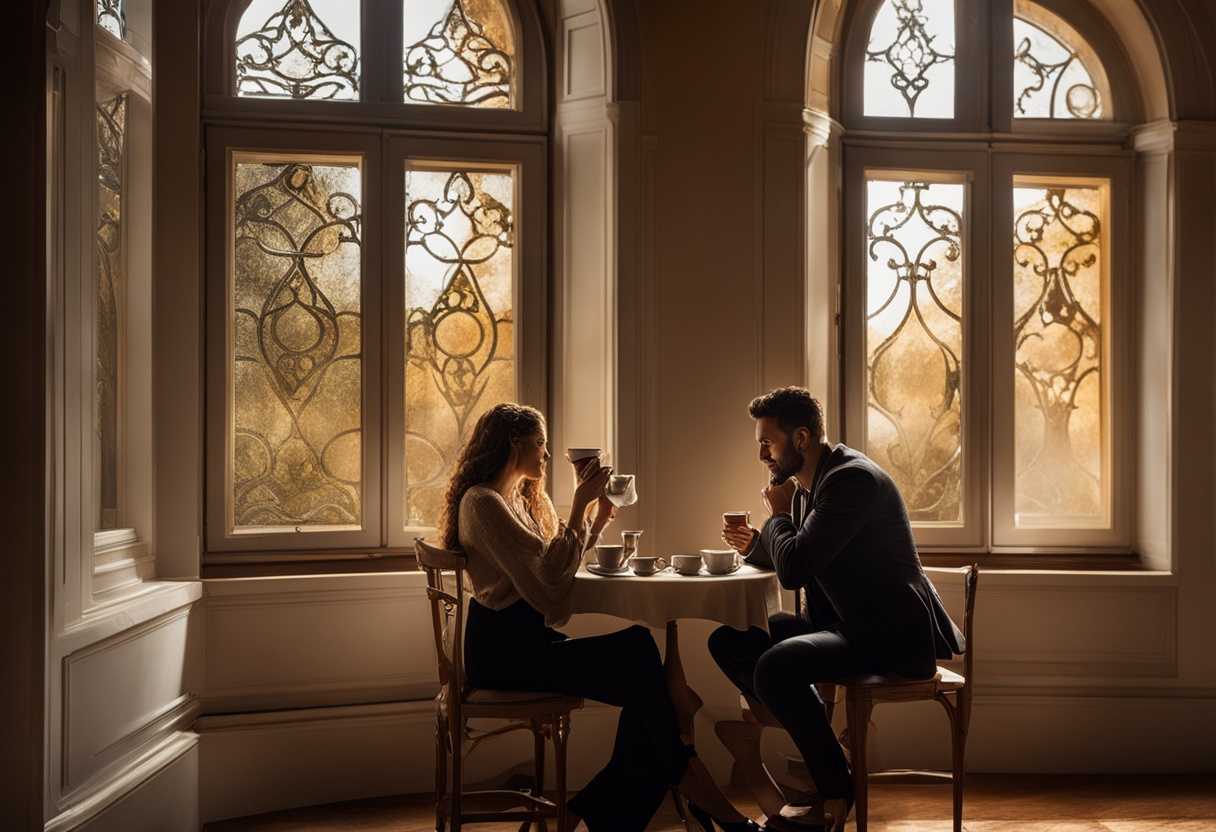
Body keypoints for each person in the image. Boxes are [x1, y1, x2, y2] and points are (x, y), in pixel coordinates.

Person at [445, 402, 762, 832]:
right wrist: (578, 505)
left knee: (644, 675)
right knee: (648, 675)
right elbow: (549, 586)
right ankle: (687, 786)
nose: (546, 454)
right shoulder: (482, 503)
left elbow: (553, 567)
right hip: (503, 655)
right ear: (514, 444)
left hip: (526, 642)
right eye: (540, 444)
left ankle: (610, 803)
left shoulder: (514, 501)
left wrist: (595, 519)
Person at [709, 387, 964, 831]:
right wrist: (762, 540)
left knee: (774, 669)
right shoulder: (816, 483)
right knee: (731, 638)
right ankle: (824, 749)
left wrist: (779, 517)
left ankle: (834, 784)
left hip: (891, 635)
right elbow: (804, 556)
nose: (762, 456)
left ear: (801, 438)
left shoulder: (851, 481)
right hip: (848, 625)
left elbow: (796, 568)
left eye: (767, 443)